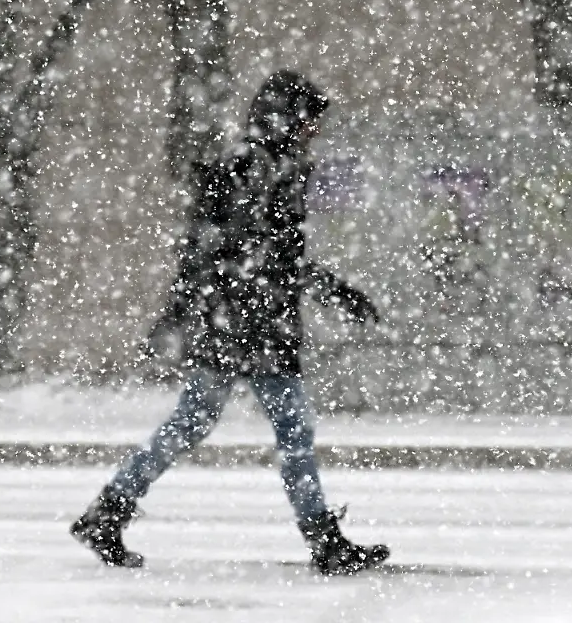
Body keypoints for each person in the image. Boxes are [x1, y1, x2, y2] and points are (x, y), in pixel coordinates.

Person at [70, 71, 389, 576]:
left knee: (199, 423)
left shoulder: (272, 166)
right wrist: (195, 305)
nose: (313, 134)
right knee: (286, 431)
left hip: (244, 320)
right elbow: (228, 248)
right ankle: (324, 543)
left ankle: (108, 511)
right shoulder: (252, 167)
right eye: (309, 123)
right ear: (286, 117)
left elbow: (259, 252)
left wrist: (327, 289)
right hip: (249, 323)